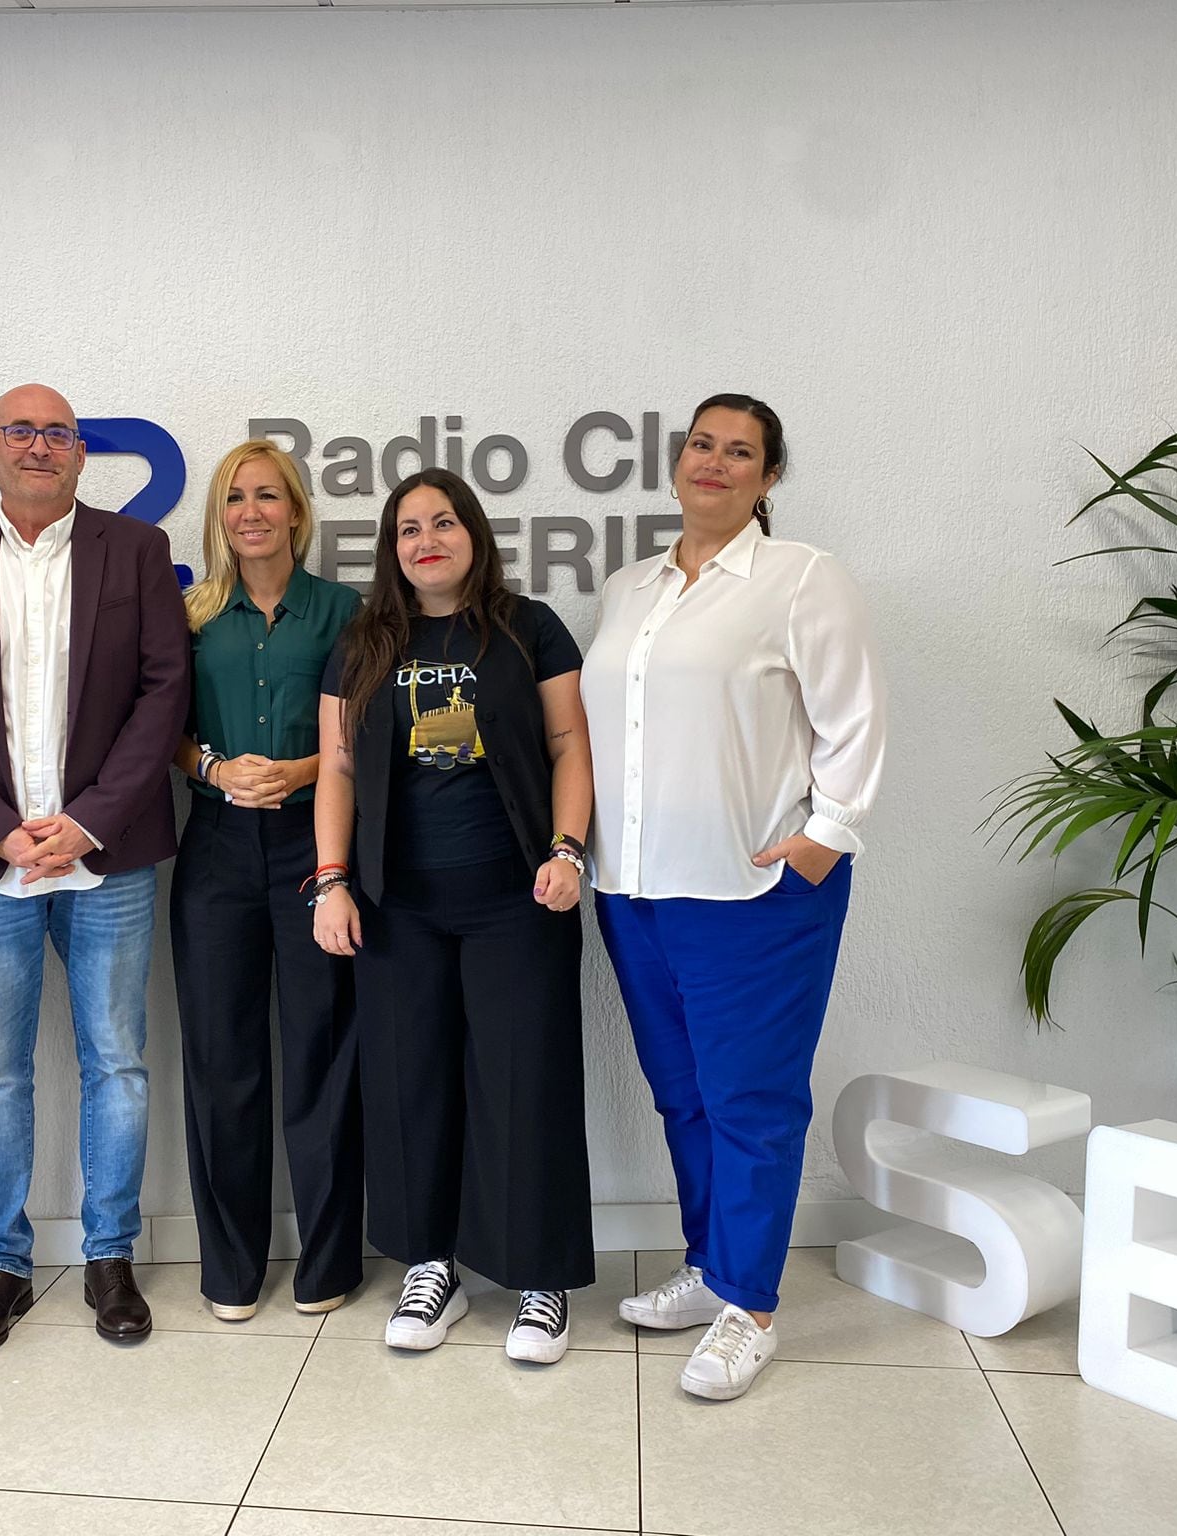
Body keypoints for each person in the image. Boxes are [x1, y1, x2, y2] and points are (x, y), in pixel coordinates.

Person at [583, 394, 885, 1402]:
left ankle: (749, 1308)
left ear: (769, 476)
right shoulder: (628, 587)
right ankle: (712, 1267)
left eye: (739, 451)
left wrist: (824, 838)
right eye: (701, 445)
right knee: (685, 1096)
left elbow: (853, 719)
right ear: (677, 461)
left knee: (751, 1102)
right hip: (634, 890)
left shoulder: (802, 578)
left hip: (753, 891)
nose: (713, 462)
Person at [0, 383, 190, 1351]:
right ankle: (1, 1266)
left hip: (108, 856)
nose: (38, 446)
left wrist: (89, 820)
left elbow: (162, 692)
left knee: (118, 1062)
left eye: (56, 433)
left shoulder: (135, 550)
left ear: (78, 454)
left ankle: (109, 1256)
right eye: (19, 432)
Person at [313, 467, 596, 1365]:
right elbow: (338, 770)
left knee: (526, 1083)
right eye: (408, 528)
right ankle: (432, 1265)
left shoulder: (529, 628)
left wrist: (567, 850)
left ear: (473, 533)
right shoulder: (362, 642)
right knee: (409, 1086)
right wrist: (330, 881)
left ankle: (540, 1276)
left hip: (518, 896)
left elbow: (570, 744)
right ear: (391, 548)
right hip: (399, 905)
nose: (425, 540)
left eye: (442, 523)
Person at [170, 440, 363, 1322]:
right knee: (221, 1061)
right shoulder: (192, 617)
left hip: (313, 846)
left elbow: (368, 733)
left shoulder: (345, 613)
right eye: (234, 498)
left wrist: (301, 771)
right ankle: (231, 1270)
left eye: (267, 496)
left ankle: (328, 1263)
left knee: (321, 1053)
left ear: (296, 511)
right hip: (215, 849)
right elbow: (161, 735)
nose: (251, 512)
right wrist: (213, 768)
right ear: (220, 517)